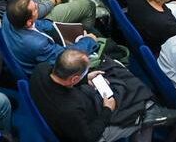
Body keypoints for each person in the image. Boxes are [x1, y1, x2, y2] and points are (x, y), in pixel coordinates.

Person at [29, 49, 158, 142]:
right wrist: (107, 109)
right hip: (87, 131)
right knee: (144, 118)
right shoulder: (71, 108)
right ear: (74, 79)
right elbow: (89, 137)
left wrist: (85, 79)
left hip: (55, 111)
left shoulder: (41, 69)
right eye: (84, 72)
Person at [2, 0, 99, 75]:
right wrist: (88, 40)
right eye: (35, 8)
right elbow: (66, 58)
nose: (37, 5)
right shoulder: (38, 44)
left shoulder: (8, 16)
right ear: (29, 22)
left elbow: (38, 24)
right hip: (46, 69)